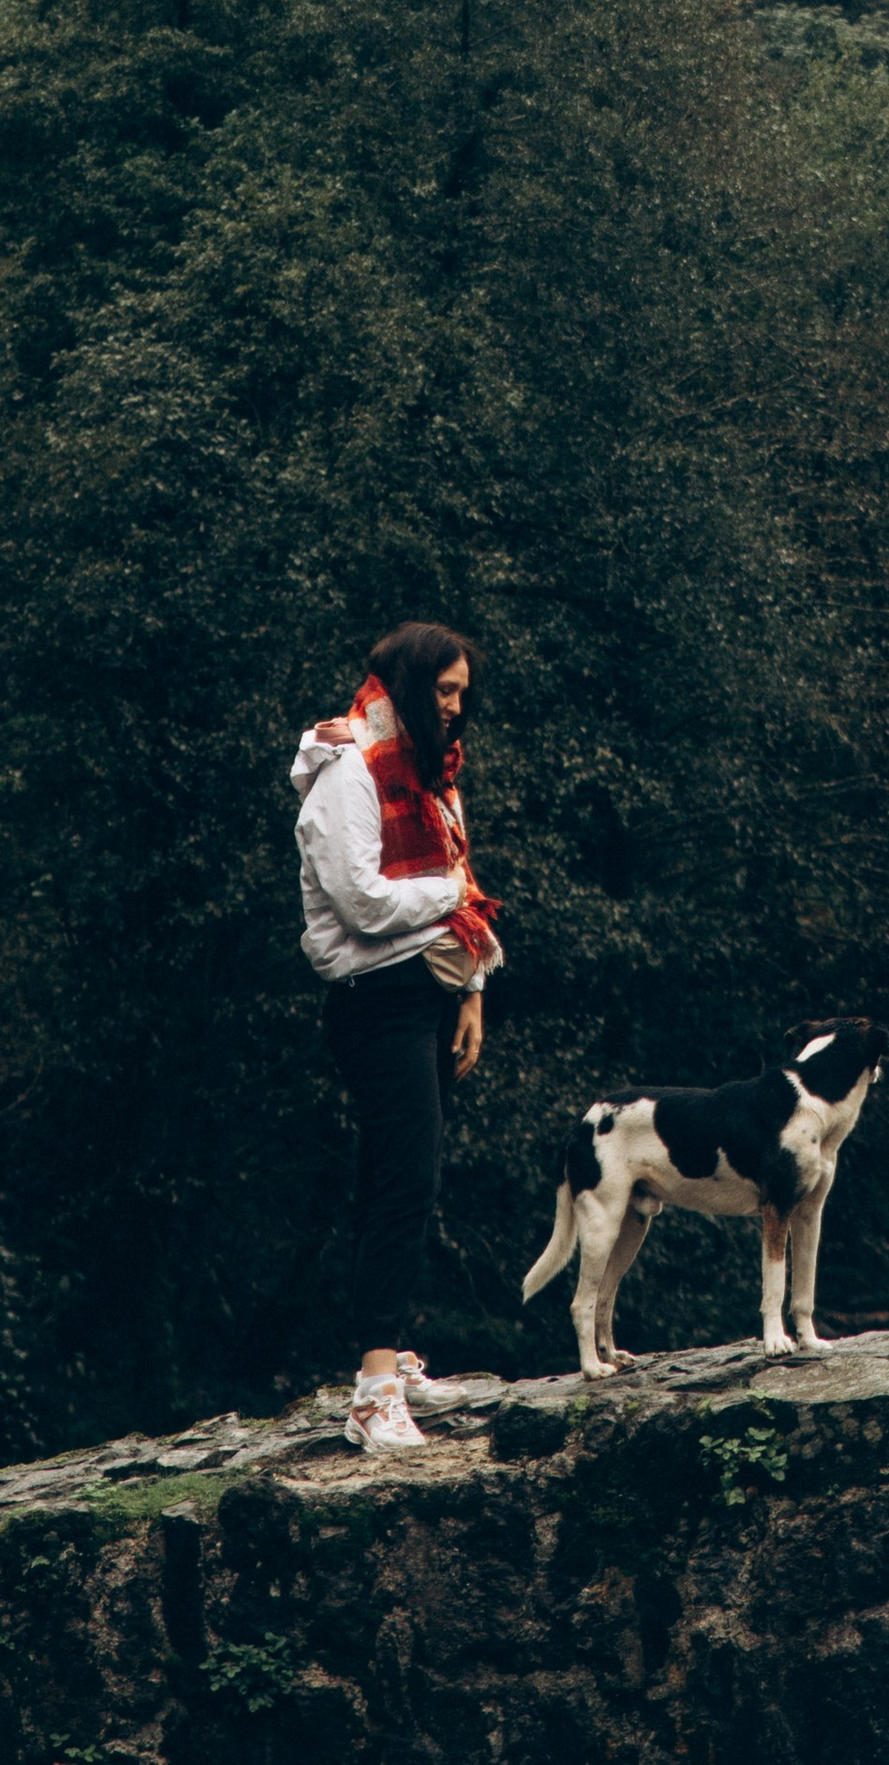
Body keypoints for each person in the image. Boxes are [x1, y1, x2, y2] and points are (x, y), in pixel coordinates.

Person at [293, 619, 504, 1454]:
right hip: (374, 999)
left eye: (462, 694)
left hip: (434, 991)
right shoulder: (348, 775)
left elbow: (465, 878)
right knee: (401, 1178)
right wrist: (445, 894)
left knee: (398, 1177)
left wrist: (473, 986)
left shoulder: (431, 769)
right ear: (411, 686)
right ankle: (374, 1390)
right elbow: (365, 904)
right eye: (443, 691)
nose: (456, 708)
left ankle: (390, 1356)